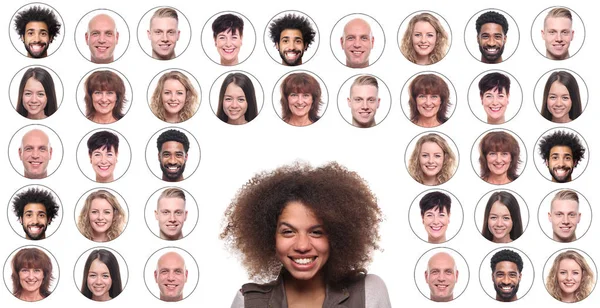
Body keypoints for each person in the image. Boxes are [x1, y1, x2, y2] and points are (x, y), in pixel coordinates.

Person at [222, 162, 391, 307]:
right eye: (288, 232)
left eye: (316, 232)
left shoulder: (368, 293)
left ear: (336, 237)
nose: (302, 246)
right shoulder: (248, 302)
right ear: (270, 237)